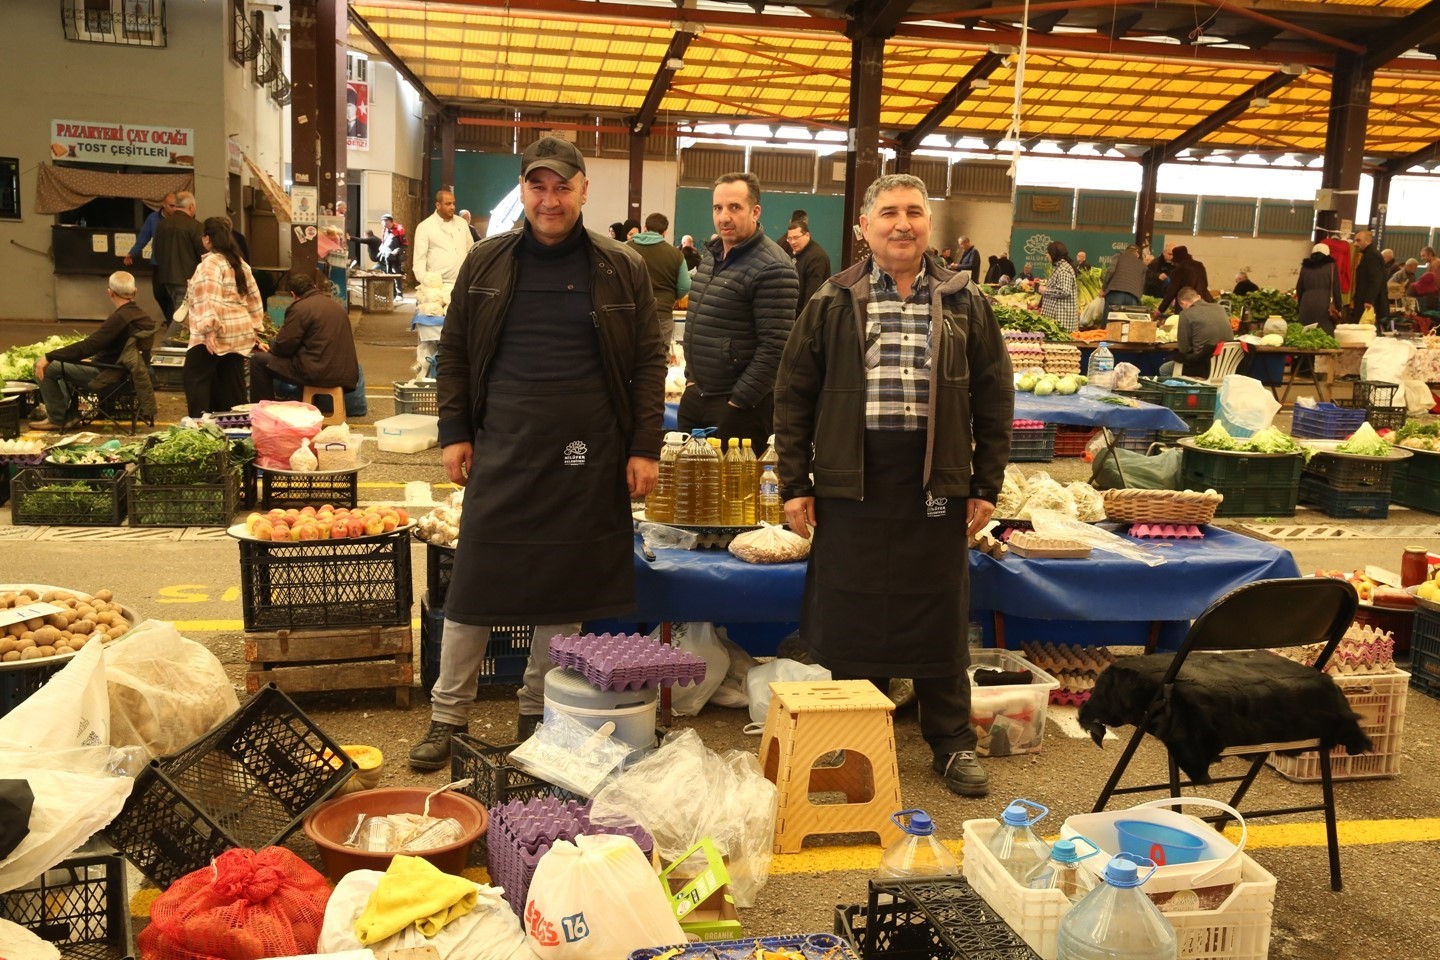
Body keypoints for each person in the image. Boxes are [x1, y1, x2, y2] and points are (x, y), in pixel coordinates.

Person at [409, 135, 665, 769]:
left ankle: (536, 708)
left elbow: (647, 361)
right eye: (537, 186)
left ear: (583, 191)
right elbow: (457, 353)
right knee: (473, 587)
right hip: (505, 440)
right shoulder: (488, 261)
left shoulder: (620, 264)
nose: (550, 200)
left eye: (562, 187)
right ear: (522, 191)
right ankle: (448, 714)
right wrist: (454, 431)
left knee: (563, 588)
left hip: (586, 447)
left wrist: (643, 446)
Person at [773, 173, 1014, 798]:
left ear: (929, 227)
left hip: (936, 475)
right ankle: (854, 742)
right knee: (850, 607)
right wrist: (795, 483)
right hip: (853, 476)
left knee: (938, 606)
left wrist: (985, 481)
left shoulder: (964, 300)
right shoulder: (833, 297)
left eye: (914, 212)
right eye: (888, 213)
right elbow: (793, 395)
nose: (902, 223)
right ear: (864, 227)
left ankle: (952, 742)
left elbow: (994, 394)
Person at [679, 172, 799, 448]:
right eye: (718, 208)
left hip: (738, 406)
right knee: (689, 487)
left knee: (731, 490)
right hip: (698, 395)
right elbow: (698, 322)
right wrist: (691, 381)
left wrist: (738, 402)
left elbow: (775, 347)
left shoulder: (774, 267)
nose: (724, 217)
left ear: (755, 211)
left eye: (734, 207)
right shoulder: (712, 258)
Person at [31, 271, 157, 431]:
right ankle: (67, 415)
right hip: (128, 374)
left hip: (110, 376)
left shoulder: (120, 319)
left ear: (110, 292)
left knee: (47, 366)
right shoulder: (142, 316)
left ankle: (58, 418)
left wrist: (49, 356)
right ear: (135, 292)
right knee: (61, 366)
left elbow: (87, 347)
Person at [181, 218, 264, 418]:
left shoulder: (211, 264)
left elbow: (209, 297)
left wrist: (209, 331)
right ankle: (235, 424)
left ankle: (199, 424)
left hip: (218, 332)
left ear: (207, 239)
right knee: (231, 382)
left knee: (196, 378)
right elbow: (255, 298)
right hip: (239, 331)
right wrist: (253, 329)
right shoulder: (240, 263)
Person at [249, 271, 358, 402]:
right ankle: (306, 401)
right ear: (314, 286)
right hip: (346, 374)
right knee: (307, 359)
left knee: (258, 361)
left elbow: (284, 346)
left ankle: (263, 410)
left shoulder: (300, 308)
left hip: (317, 373)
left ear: (293, 294)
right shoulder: (337, 306)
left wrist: (272, 347)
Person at [411, 189, 475, 372]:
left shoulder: (462, 224)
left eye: (453, 203)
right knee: (431, 338)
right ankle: (426, 372)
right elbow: (419, 261)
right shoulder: (425, 227)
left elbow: (472, 251)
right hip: (435, 290)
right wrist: (427, 286)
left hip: (461, 285)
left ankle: (458, 370)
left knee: (461, 333)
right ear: (437, 205)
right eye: (448, 204)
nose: (452, 207)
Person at [628, 212, 691, 349]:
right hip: (662, 314)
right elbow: (685, 286)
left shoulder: (626, 248)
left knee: (629, 359)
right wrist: (671, 298)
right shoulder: (676, 254)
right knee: (659, 362)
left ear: (645, 228)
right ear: (665, 232)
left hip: (630, 314)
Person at [154, 190, 204, 338]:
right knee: (182, 314)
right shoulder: (195, 226)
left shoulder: (162, 225)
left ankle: (179, 345)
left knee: (179, 312)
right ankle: (165, 345)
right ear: (191, 207)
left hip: (165, 277)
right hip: (186, 277)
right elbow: (203, 254)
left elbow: (156, 251)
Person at [123, 192, 177, 324]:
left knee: (173, 296)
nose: (174, 209)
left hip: (175, 262)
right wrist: (132, 253)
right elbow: (143, 237)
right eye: (171, 205)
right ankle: (171, 320)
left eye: (176, 206)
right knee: (159, 294)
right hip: (158, 262)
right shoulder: (153, 219)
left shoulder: (179, 219)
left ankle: (173, 323)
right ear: (164, 205)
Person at [1159, 287, 1234, 378]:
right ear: (1199, 296)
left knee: (1164, 369)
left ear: (1183, 303)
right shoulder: (1220, 308)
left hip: (1202, 366)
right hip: (1227, 365)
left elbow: (1184, 349)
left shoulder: (1186, 314)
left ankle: (1184, 392)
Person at [1296, 242, 1342, 335]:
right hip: (1325, 305)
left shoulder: (1305, 267)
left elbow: (1299, 288)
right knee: (1325, 334)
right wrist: (1339, 307)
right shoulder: (1332, 266)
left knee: (1306, 334)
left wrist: (1301, 303)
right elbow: (1336, 288)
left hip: (1306, 303)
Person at [786, 219, 831, 310]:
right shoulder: (795, 252)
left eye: (796, 237)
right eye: (789, 238)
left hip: (807, 313)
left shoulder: (816, 258)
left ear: (807, 235)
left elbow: (813, 294)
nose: (792, 242)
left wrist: (805, 321)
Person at [1156, 246, 1213, 314]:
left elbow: (1171, 292)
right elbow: (1205, 283)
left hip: (1187, 304)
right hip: (1204, 301)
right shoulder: (1200, 266)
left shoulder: (1178, 270)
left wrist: (1160, 309)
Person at [1039, 240, 1079, 333]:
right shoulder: (1060, 267)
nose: (1046, 255)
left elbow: (1064, 291)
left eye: (1048, 253)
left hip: (1061, 321)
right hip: (1057, 320)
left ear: (1054, 254)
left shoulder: (1063, 269)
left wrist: (1045, 290)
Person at [1351, 229, 1388, 320]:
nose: (1355, 244)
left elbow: (1376, 279)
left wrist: (1369, 300)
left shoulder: (1372, 255)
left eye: (1358, 240)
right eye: (1355, 240)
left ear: (1368, 241)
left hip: (1369, 305)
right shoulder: (1368, 254)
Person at [1101, 245, 1146, 312]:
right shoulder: (1142, 265)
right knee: (1126, 321)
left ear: (1126, 251)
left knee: (1110, 320)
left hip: (1116, 292)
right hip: (1133, 297)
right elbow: (1142, 284)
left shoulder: (1119, 255)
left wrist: (1103, 289)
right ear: (1138, 255)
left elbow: (1111, 271)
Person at [378, 214, 407, 296]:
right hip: (387, 257)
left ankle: (399, 294)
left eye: (386, 222)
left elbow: (405, 244)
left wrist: (397, 250)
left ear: (391, 222)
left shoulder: (399, 229)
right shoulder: (384, 230)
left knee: (396, 274)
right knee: (388, 275)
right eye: (383, 222)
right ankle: (391, 294)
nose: (384, 224)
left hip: (396, 257)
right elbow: (383, 242)